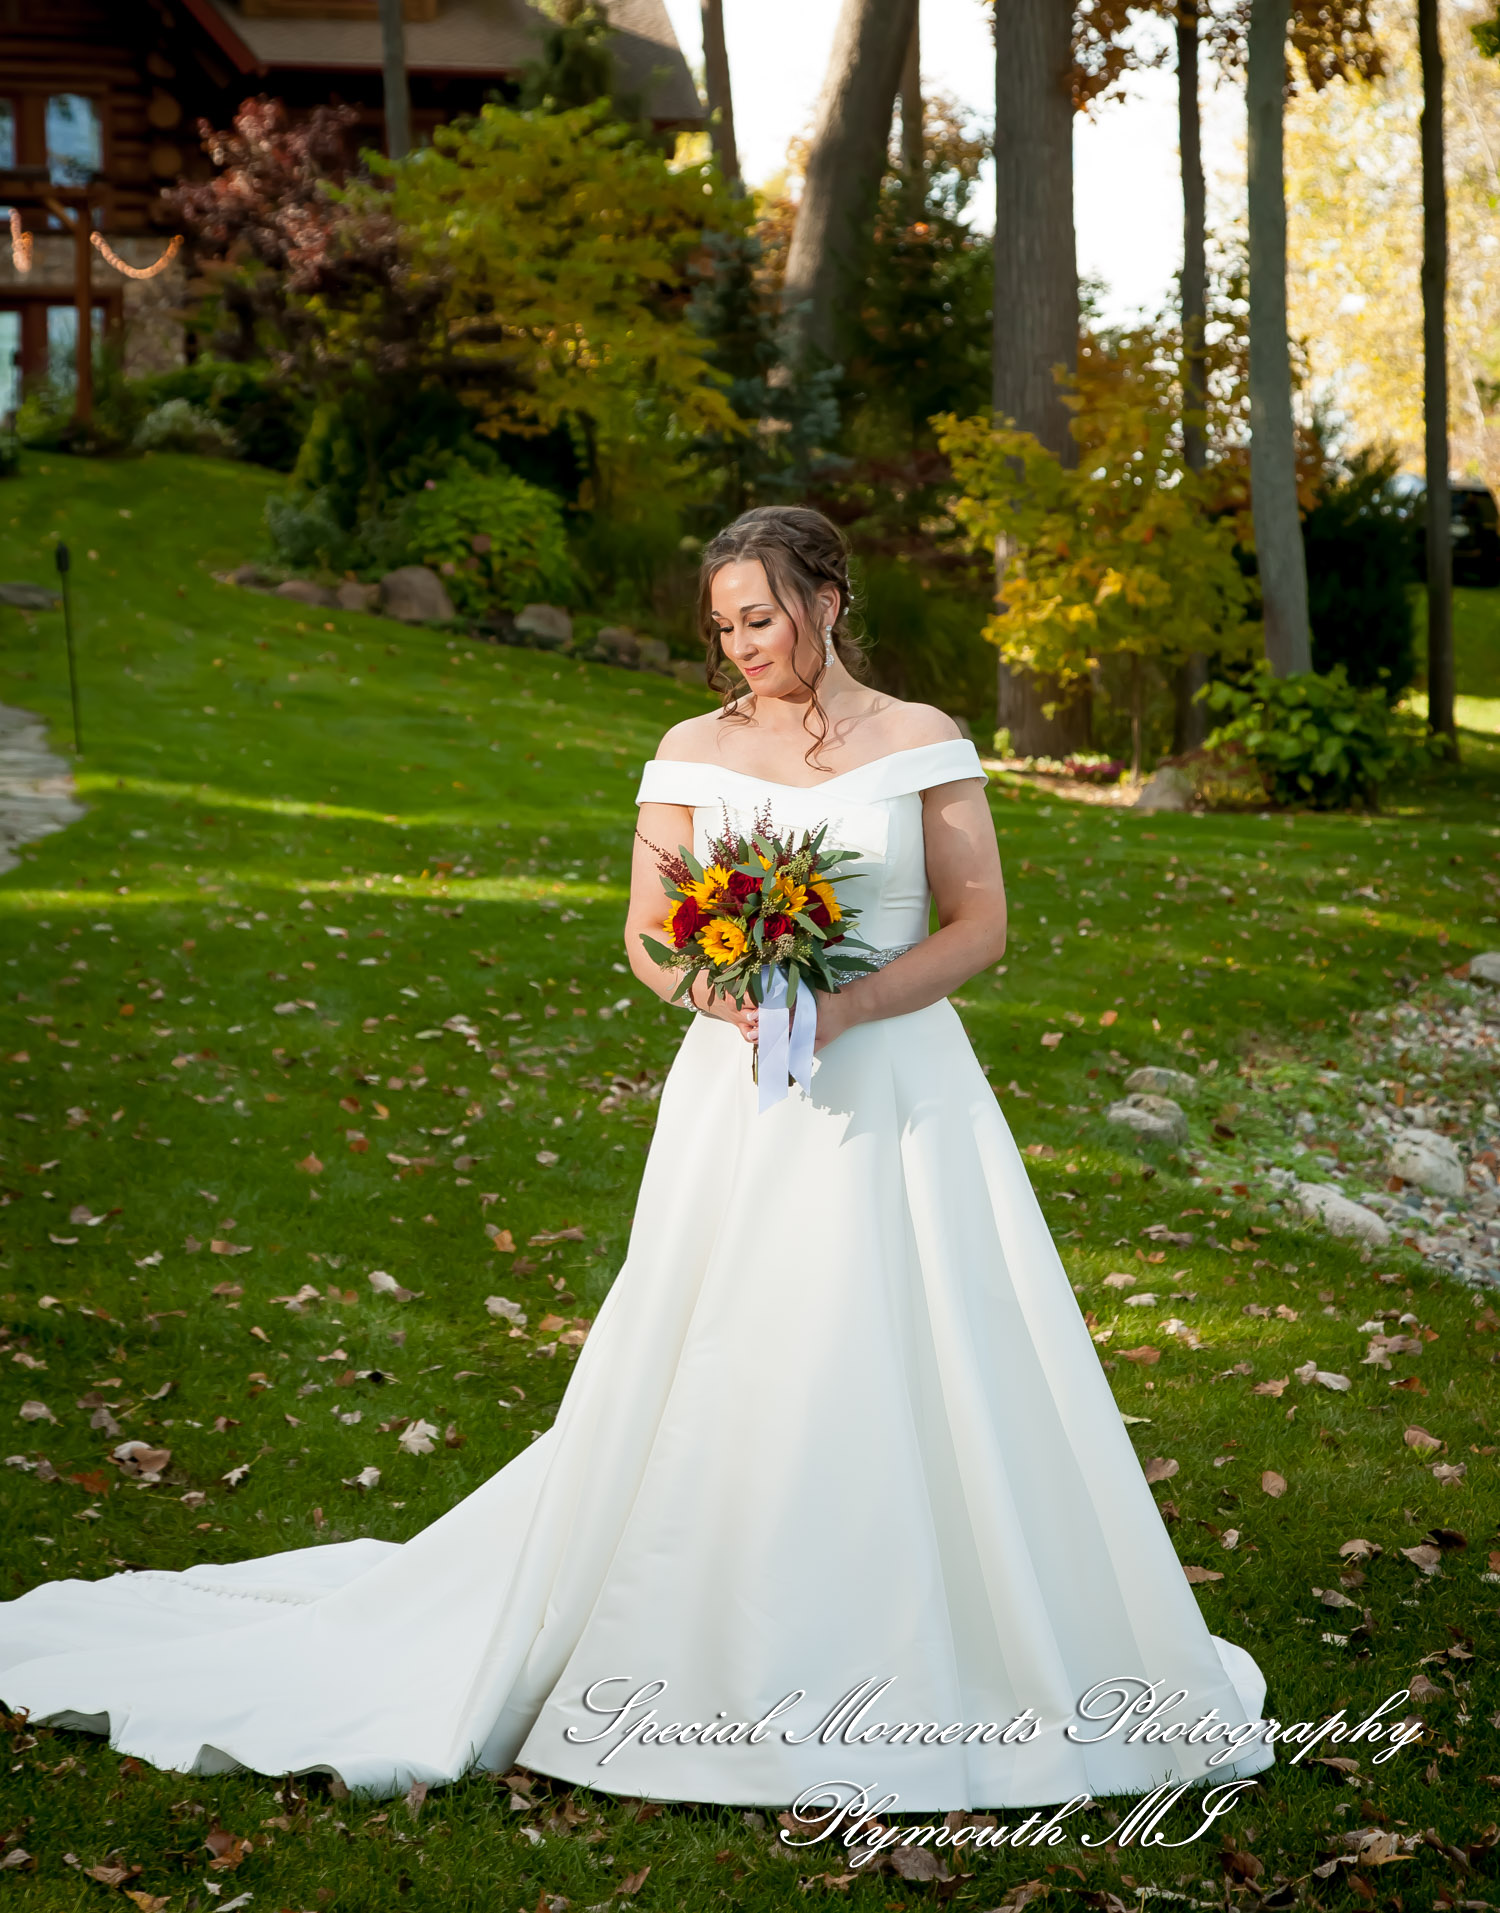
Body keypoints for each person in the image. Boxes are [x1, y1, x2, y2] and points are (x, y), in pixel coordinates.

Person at [0, 505, 1272, 1815]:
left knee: (925, 1338)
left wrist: (846, 1008)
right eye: (724, 626)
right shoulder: (689, 752)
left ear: (829, 600)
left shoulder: (919, 739)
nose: (743, 647)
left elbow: (980, 922)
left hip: (901, 1090)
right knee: (725, 1340)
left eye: (762, 618)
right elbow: (649, 930)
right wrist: (731, 999)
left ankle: (952, 1630)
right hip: (741, 1097)